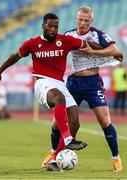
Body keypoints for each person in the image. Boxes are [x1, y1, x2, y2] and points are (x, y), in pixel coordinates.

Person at [0, 13, 93, 171]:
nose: (53, 29)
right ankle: (67, 139)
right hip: (42, 83)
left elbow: (88, 45)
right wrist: (0, 70)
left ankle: (54, 162)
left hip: (60, 84)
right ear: (43, 26)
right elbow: (15, 56)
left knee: (75, 123)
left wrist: (111, 50)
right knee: (59, 99)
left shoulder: (65, 41)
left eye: (56, 26)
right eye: (50, 26)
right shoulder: (32, 43)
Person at [42, 7, 123, 172]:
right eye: (80, 19)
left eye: (86, 20)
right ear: (76, 19)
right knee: (58, 120)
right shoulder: (69, 35)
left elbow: (114, 51)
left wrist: (93, 51)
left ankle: (116, 157)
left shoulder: (97, 34)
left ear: (91, 20)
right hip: (74, 83)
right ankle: (53, 154)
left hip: (93, 83)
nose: (83, 23)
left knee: (104, 120)